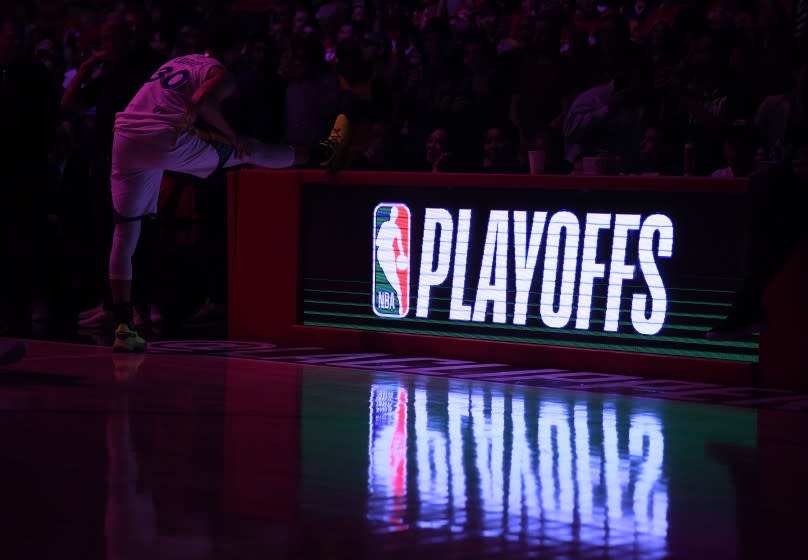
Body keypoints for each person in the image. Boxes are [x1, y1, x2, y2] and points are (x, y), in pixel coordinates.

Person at [108, 21, 350, 352]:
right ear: (235, 52)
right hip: (165, 138)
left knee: (126, 233)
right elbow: (203, 100)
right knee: (244, 149)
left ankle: (123, 324)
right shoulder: (220, 72)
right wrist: (231, 133)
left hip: (125, 138)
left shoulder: (173, 62)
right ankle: (323, 153)